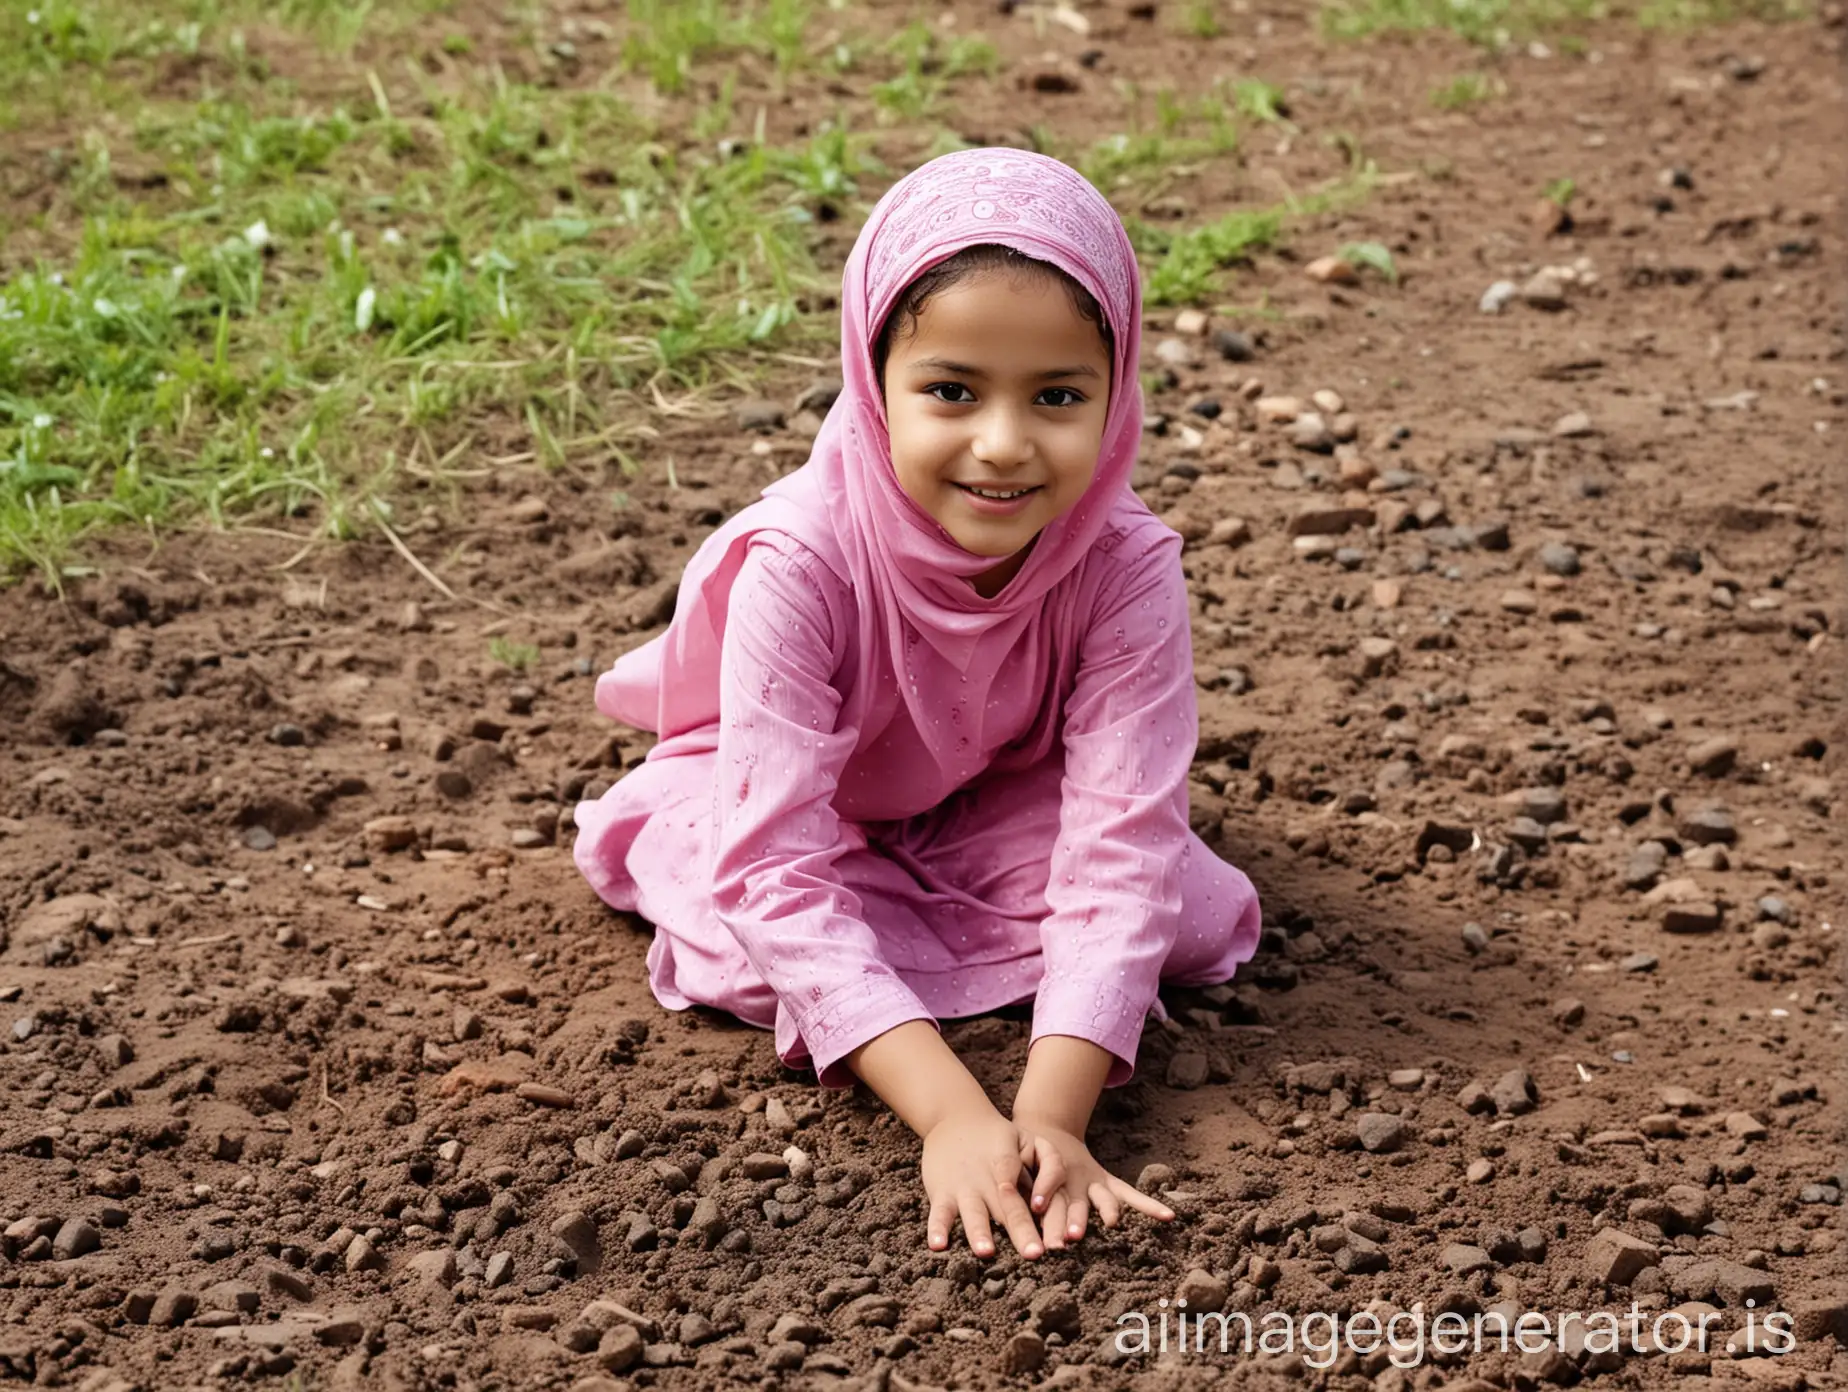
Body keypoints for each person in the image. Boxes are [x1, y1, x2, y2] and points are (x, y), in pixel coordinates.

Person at [574, 147, 1262, 1262]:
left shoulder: (1125, 561)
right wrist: (950, 1115)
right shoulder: (804, 561)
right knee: (742, 936)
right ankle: (898, 991)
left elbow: (1121, 838)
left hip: (990, 798)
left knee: (1181, 905)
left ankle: (910, 967)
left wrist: (1050, 1116)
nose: (1002, 444)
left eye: (1058, 396)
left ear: (1118, 388)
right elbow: (774, 861)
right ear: (871, 378)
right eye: (950, 390)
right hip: (798, 805)